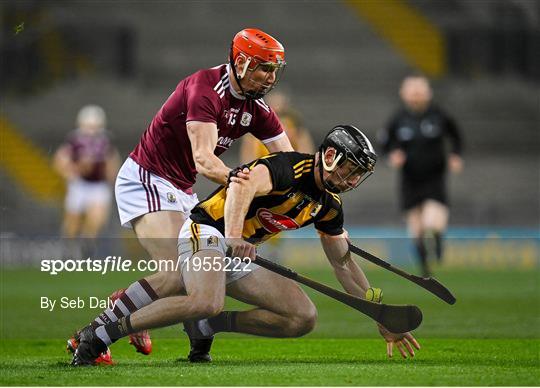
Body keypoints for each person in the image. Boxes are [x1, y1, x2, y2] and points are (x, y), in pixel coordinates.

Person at [69, 125, 421, 367]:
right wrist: (235, 235)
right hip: (208, 230)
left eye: (359, 174)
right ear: (329, 155)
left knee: (303, 318)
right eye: (351, 169)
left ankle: (207, 327)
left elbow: (343, 264)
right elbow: (240, 185)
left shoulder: (329, 205)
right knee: (204, 299)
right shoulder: (288, 167)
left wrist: (378, 313)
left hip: (239, 249)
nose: (353, 179)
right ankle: (102, 335)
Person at [66, 28, 294, 364]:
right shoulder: (205, 89)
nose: (271, 77)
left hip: (182, 190)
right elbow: (203, 160)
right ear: (242, 62)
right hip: (148, 177)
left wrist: (312, 193)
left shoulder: (256, 108)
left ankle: (136, 305)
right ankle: (90, 335)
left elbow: (289, 162)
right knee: (176, 273)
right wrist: (240, 181)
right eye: (265, 68)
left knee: (188, 274)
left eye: (275, 69)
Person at [379, 75, 464, 277]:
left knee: (431, 223)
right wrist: (392, 156)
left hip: (434, 178)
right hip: (409, 179)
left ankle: (437, 238)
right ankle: (426, 269)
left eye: (420, 90)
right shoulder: (398, 119)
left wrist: (455, 155)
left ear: (428, 92)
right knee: (415, 228)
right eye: (412, 90)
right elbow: (385, 143)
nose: (416, 94)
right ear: (403, 93)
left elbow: (456, 136)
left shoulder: (439, 115)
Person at [53, 105, 120, 239]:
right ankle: (70, 246)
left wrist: (112, 178)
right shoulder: (74, 140)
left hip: (98, 184)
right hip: (79, 184)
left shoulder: (105, 141)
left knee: (97, 220)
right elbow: (60, 160)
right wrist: (70, 173)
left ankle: (86, 243)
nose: (92, 129)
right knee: (73, 221)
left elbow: (112, 160)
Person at [240, 90, 315, 163]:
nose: (276, 107)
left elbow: (304, 144)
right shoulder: (257, 120)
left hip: (288, 165)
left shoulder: (294, 122)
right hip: (264, 164)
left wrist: (302, 165)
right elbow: (248, 149)